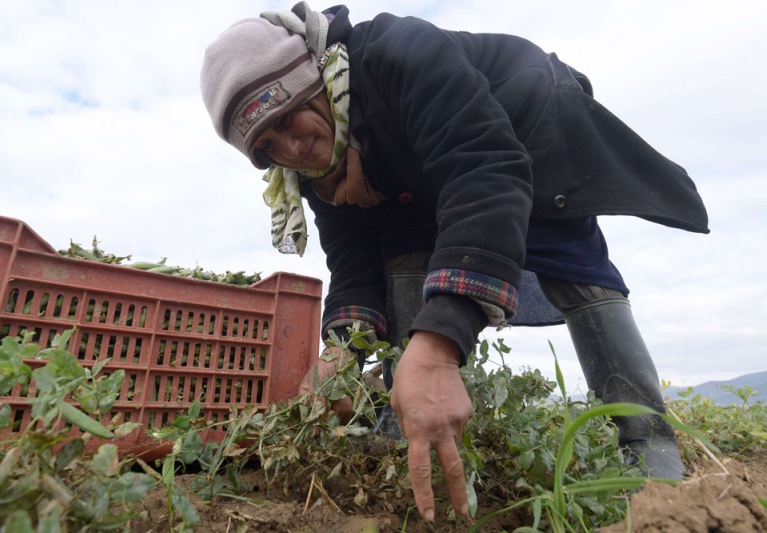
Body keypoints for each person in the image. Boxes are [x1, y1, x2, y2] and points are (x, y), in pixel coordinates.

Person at [200, 2, 709, 522]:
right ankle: (405, 429)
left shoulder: (399, 53)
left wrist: (441, 347)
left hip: (523, 120)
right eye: (269, 146)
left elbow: (484, 172)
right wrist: (342, 350)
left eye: (288, 116)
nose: (294, 144)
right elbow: (353, 258)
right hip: (426, 173)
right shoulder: (317, 172)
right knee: (401, 253)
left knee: (569, 258)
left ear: (312, 78)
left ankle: (648, 440)